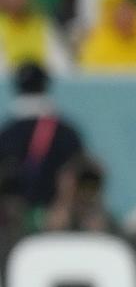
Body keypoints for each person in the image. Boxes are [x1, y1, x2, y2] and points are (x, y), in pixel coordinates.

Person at [0, 62, 83, 210]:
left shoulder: (7, 134)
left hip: (14, 216)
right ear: (46, 86)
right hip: (55, 213)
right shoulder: (66, 132)